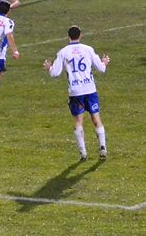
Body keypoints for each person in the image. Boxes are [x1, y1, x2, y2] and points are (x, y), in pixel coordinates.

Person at [43, 25, 110, 161]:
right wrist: (105, 62)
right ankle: (102, 147)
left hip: (75, 92)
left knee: (78, 122)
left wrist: (49, 68)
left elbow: (55, 73)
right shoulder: (88, 49)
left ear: (68, 36)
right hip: (90, 90)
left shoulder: (63, 52)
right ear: (80, 36)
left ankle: (83, 153)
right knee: (96, 119)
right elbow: (101, 69)